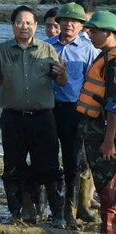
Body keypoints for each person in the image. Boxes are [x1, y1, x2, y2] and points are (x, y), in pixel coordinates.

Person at [0, 5, 68, 228]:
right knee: (13, 167)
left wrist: (63, 74)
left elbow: (61, 82)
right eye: (19, 22)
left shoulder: (47, 50)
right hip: (13, 119)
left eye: (28, 23)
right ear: (12, 25)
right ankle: (16, 213)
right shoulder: (0, 50)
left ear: (35, 26)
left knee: (49, 167)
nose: (24, 26)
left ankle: (57, 214)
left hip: (43, 118)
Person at [44, 2, 99, 229]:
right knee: (45, 160)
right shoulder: (45, 46)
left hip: (74, 111)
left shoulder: (89, 50)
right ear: (59, 23)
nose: (69, 24)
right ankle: (48, 210)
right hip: (45, 109)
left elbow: (94, 85)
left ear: (81, 25)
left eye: (74, 21)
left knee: (73, 162)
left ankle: (71, 212)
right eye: (65, 20)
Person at [76, 11, 116, 233]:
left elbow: (113, 104)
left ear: (108, 33)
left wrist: (109, 140)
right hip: (98, 131)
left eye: (93, 32)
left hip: (105, 134)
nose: (89, 35)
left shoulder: (114, 62)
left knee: (109, 191)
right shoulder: (105, 56)